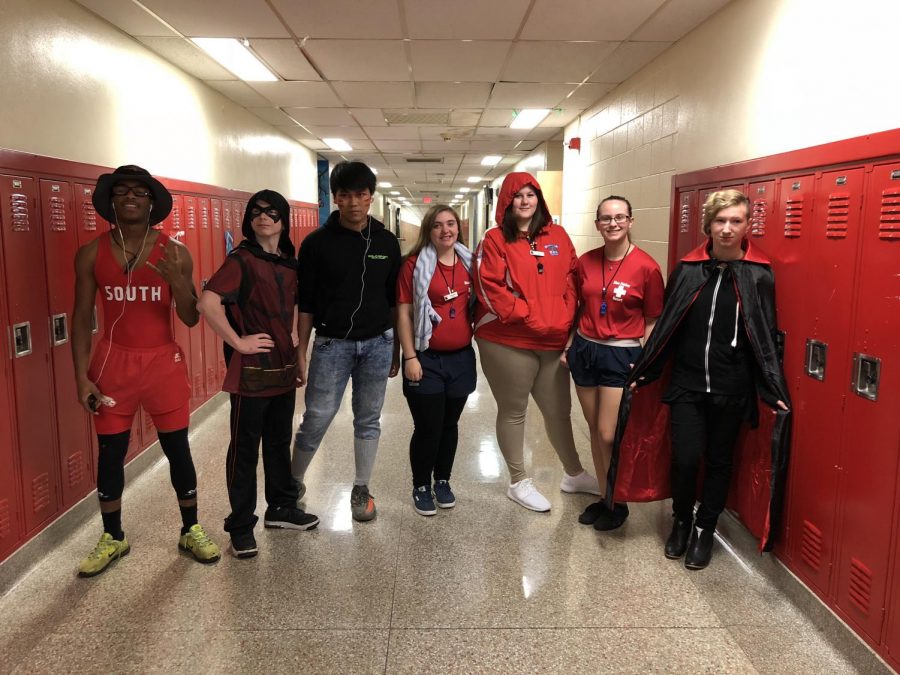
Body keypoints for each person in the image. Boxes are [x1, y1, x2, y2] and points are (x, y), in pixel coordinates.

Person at [613, 189, 790, 570]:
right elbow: (669, 328)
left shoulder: (759, 275)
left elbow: (763, 337)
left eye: (736, 222)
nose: (727, 229)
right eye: (720, 221)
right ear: (709, 225)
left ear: (746, 227)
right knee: (686, 457)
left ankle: (705, 528)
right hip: (687, 383)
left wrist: (769, 388)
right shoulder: (689, 269)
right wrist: (647, 370)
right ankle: (681, 519)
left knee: (720, 459)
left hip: (732, 386)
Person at [71, 165, 220, 577]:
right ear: (111, 201)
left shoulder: (174, 252)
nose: (130, 198)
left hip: (162, 365)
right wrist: (81, 376)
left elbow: (190, 318)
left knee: (177, 449)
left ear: (152, 202)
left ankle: (190, 529)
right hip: (112, 364)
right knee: (111, 454)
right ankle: (113, 536)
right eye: (122, 192)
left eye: (139, 192)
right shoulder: (91, 253)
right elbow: (81, 318)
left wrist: (177, 282)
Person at [199, 190, 319, 559]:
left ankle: (281, 508)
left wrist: (300, 358)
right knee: (245, 448)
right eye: (256, 212)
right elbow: (207, 302)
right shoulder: (242, 260)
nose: (263, 217)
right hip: (252, 371)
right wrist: (238, 341)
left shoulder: (287, 261)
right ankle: (240, 525)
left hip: (282, 367)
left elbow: (296, 309)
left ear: (283, 221)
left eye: (271, 212)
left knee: (279, 441)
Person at [473, 172, 600, 512]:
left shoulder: (557, 235)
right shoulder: (495, 238)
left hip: (554, 339)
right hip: (507, 339)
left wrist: (564, 317)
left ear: (539, 200)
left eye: (531, 194)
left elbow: (573, 277)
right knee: (515, 411)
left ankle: (573, 474)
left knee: (559, 410)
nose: (525, 201)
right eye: (518, 196)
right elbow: (489, 286)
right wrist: (526, 314)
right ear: (507, 201)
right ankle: (518, 481)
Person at [290, 161, 401, 522]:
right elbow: (305, 303)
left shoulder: (386, 242)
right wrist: (301, 351)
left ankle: (361, 488)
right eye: (345, 195)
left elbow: (395, 300)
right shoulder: (315, 244)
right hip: (331, 344)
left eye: (360, 194)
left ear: (370, 198)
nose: (354, 202)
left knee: (368, 419)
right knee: (317, 416)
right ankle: (292, 483)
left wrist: (398, 348)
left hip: (378, 344)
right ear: (335, 198)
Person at [563, 196, 664, 531]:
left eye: (620, 217)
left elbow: (652, 320)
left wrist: (645, 363)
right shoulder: (586, 262)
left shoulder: (647, 267)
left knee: (609, 433)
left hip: (621, 353)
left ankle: (618, 502)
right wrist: (568, 344)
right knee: (593, 428)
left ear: (631, 221)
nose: (613, 223)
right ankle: (606, 497)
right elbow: (576, 306)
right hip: (585, 349)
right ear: (597, 225)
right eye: (606, 218)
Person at [396, 205, 475, 516]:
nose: (446, 230)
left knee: (450, 425)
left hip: (461, 359)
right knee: (428, 426)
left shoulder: (472, 263)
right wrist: (409, 356)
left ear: (459, 228)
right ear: (428, 231)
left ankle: (442, 480)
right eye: (438, 225)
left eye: (451, 224)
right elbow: (403, 312)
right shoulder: (413, 266)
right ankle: (420, 485)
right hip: (425, 358)